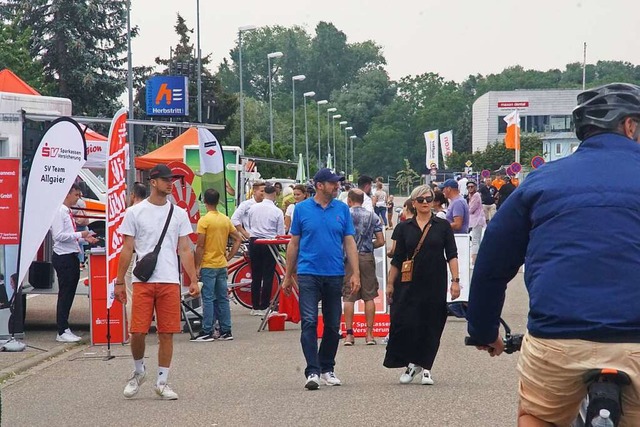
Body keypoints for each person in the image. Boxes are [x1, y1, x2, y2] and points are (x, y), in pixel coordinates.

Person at [466, 83, 640, 426]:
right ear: (630, 126)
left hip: (559, 339)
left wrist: (484, 330)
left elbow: (491, 266)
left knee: (537, 417)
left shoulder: (540, 182)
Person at [115, 164, 200, 401]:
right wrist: (119, 281)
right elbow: (127, 248)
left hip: (169, 279)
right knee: (138, 331)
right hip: (143, 279)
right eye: (164, 180)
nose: (169, 183)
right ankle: (139, 369)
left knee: (167, 332)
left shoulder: (179, 213)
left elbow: (185, 248)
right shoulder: (135, 212)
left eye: (170, 179)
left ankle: (162, 381)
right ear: (153, 182)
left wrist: (193, 279)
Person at [282, 168, 360, 390]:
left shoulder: (342, 210)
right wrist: (288, 275)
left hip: (334, 273)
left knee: (333, 324)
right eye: (333, 183)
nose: (337, 186)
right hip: (308, 273)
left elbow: (350, 242)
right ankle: (312, 371)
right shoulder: (302, 209)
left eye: (337, 183)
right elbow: (294, 243)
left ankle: (327, 367)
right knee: (309, 322)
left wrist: (355, 273)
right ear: (319, 185)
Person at [384, 185, 460, 385]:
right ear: (413, 203)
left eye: (429, 199)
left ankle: (426, 367)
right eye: (421, 200)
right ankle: (411, 363)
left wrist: (455, 281)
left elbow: (452, 254)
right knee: (408, 323)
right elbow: (397, 259)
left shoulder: (442, 226)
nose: (425, 202)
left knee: (432, 323)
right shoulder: (403, 228)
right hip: (408, 283)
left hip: (434, 281)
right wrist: (390, 284)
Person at [192, 188, 242, 342]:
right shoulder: (225, 219)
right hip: (221, 264)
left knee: (208, 298)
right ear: (218, 200)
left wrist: (197, 266)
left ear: (204, 201)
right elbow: (238, 238)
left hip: (208, 264)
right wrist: (230, 256)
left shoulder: (204, 221)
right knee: (223, 298)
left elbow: (200, 246)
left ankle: (207, 330)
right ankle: (226, 330)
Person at [51, 183, 98, 343]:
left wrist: (84, 237)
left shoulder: (67, 211)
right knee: (65, 293)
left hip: (71, 254)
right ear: (67, 194)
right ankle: (62, 329)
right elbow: (58, 236)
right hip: (63, 256)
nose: (78, 199)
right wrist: (81, 233)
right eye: (76, 195)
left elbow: (69, 234)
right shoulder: (59, 211)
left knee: (69, 293)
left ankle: (65, 328)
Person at [343, 189, 385, 346]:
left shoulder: (344, 215)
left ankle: (349, 334)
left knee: (349, 295)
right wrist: (369, 245)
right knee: (369, 296)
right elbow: (381, 240)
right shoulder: (372, 216)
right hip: (366, 256)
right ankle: (369, 334)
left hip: (348, 258)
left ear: (349, 200)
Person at [247, 184, 285, 316]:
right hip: (269, 242)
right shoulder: (277, 211)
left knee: (256, 275)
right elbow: (280, 232)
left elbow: (250, 224)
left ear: (264, 194)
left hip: (254, 241)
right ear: (274, 194)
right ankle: (264, 305)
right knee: (268, 275)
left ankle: (254, 306)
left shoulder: (253, 208)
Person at [466, 181, 486, 266]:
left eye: (472, 187)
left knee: (475, 241)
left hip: (477, 220)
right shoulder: (471, 196)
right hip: (474, 220)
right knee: (476, 240)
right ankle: (476, 259)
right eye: (468, 187)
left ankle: (474, 260)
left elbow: (471, 209)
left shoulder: (476, 196)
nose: (470, 188)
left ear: (475, 187)